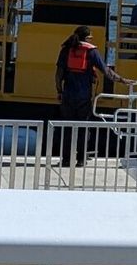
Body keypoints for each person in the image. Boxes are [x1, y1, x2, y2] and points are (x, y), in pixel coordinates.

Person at [54, 26, 129, 166]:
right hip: (84, 96)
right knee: (83, 127)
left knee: (67, 127)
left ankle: (66, 160)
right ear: (87, 38)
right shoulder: (91, 51)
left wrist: (59, 91)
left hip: (68, 95)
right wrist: (122, 80)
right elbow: (106, 71)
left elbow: (58, 74)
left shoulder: (66, 50)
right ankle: (81, 160)